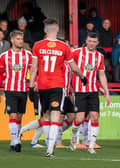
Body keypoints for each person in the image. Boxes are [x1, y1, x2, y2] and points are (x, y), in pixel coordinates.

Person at [29, 18, 87, 157]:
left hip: (42, 85)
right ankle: (50, 149)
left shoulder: (37, 45)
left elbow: (33, 68)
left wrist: (31, 87)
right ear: (57, 30)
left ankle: (48, 147)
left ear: (44, 30)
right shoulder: (64, 47)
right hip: (57, 85)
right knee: (55, 114)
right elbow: (73, 67)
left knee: (46, 115)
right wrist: (82, 77)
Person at [70, 32, 111, 154]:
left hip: (93, 91)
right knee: (79, 118)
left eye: (94, 41)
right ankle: (74, 137)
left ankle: (91, 145)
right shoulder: (77, 52)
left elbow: (102, 75)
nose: (92, 43)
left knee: (95, 117)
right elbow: (69, 66)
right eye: (90, 41)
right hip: (79, 90)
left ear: (97, 43)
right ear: (86, 41)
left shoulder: (100, 56)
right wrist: (69, 86)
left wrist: (107, 92)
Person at [0, 30, 34, 152]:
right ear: (12, 40)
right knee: (13, 115)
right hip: (10, 90)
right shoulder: (4, 56)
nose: (21, 41)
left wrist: (32, 83)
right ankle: (14, 142)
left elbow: (33, 71)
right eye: (18, 39)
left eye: (21, 39)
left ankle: (16, 139)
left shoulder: (28, 55)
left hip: (23, 90)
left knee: (19, 116)